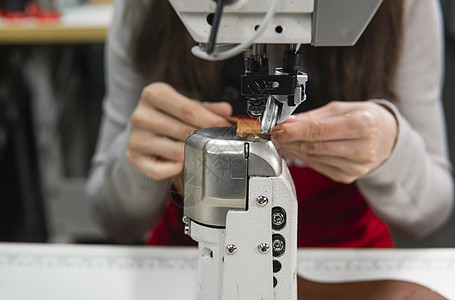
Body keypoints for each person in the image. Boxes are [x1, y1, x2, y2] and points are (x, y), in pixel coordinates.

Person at [86, 0, 453, 247]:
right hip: (192, 256)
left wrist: (392, 150)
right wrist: (142, 163)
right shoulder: (147, 8)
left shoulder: (403, 7)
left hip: (345, 257)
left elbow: (430, 213)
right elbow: (112, 219)